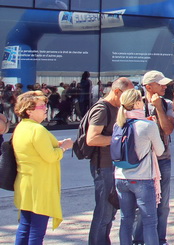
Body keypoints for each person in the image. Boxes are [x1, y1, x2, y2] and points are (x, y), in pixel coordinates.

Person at [12, 91, 73, 244]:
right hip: (40, 186)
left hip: (26, 183)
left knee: (25, 227)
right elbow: (51, 156)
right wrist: (64, 147)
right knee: (36, 232)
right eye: (41, 106)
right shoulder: (37, 130)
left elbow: (34, 149)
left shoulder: (21, 127)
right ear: (29, 110)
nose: (45, 108)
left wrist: (56, 145)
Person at [114, 89, 166, 245]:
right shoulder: (148, 125)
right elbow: (160, 151)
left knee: (125, 219)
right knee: (149, 221)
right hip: (142, 177)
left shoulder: (119, 124)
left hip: (121, 177)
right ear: (137, 103)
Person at [87, 77, 134, 245]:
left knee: (110, 211)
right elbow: (92, 139)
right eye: (128, 94)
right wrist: (119, 138)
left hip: (112, 165)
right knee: (104, 211)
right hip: (103, 166)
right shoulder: (102, 109)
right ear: (116, 91)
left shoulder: (115, 108)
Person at [136, 71, 174, 245]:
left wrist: (159, 107)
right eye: (161, 84)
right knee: (142, 204)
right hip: (140, 160)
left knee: (163, 204)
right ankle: (138, 239)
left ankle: (160, 239)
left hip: (162, 159)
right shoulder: (135, 104)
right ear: (149, 87)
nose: (165, 87)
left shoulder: (167, 104)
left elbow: (168, 129)